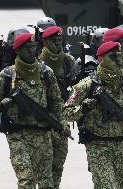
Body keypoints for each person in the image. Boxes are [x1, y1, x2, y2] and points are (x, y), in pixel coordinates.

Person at [64, 41, 123, 189]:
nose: (117, 59)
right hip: (98, 146)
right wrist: (83, 108)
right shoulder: (87, 85)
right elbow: (67, 113)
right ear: (100, 59)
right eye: (112, 55)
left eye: (119, 55)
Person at [0, 33, 69, 189]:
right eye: (27, 48)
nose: (32, 51)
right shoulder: (7, 75)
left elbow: (56, 101)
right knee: (27, 181)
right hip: (18, 135)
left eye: (33, 47)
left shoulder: (46, 73)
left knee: (47, 181)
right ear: (18, 50)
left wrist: (62, 122)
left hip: (43, 135)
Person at [40, 25, 75, 189]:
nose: (57, 44)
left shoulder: (69, 61)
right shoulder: (37, 62)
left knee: (58, 165)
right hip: (41, 121)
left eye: (60, 40)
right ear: (45, 42)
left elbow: (76, 88)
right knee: (42, 168)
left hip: (62, 120)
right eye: (53, 40)